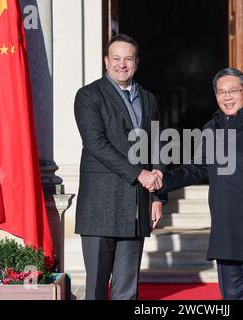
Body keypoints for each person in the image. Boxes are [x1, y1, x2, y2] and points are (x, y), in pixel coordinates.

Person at [153, 68, 243, 300]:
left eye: (233, 91)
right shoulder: (211, 128)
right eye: (221, 92)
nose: (227, 97)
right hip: (225, 231)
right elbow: (197, 168)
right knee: (232, 296)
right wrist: (162, 181)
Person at [74, 34, 166, 300]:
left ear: (136, 62)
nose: (121, 64)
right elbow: (96, 144)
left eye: (128, 58)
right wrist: (140, 174)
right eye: (116, 58)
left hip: (135, 207)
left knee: (128, 290)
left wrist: (158, 196)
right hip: (99, 207)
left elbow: (157, 145)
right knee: (97, 289)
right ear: (106, 61)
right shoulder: (89, 95)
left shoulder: (148, 99)